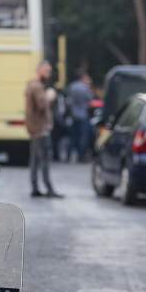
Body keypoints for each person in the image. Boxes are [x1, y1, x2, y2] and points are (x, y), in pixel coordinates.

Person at [25, 61, 62, 197]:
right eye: (47, 71)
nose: (49, 74)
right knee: (44, 159)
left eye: (49, 71)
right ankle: (49, 189)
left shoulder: (32, 85)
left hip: (35, 128)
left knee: (35, 160)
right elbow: (41, 105)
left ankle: (35, 188)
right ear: (39, 70)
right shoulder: (37, 87)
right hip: (40, 129)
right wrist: (50, 96)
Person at [67, 69, 95, 162]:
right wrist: (89, 86)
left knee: (73, 136)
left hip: (74, 115)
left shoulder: (72, 86)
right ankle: (81, 156)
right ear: (83, 78)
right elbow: (90, 99)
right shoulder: (85, 88)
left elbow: (69, 100)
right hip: (83, 115)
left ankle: (68, 156)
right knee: (83, 137)